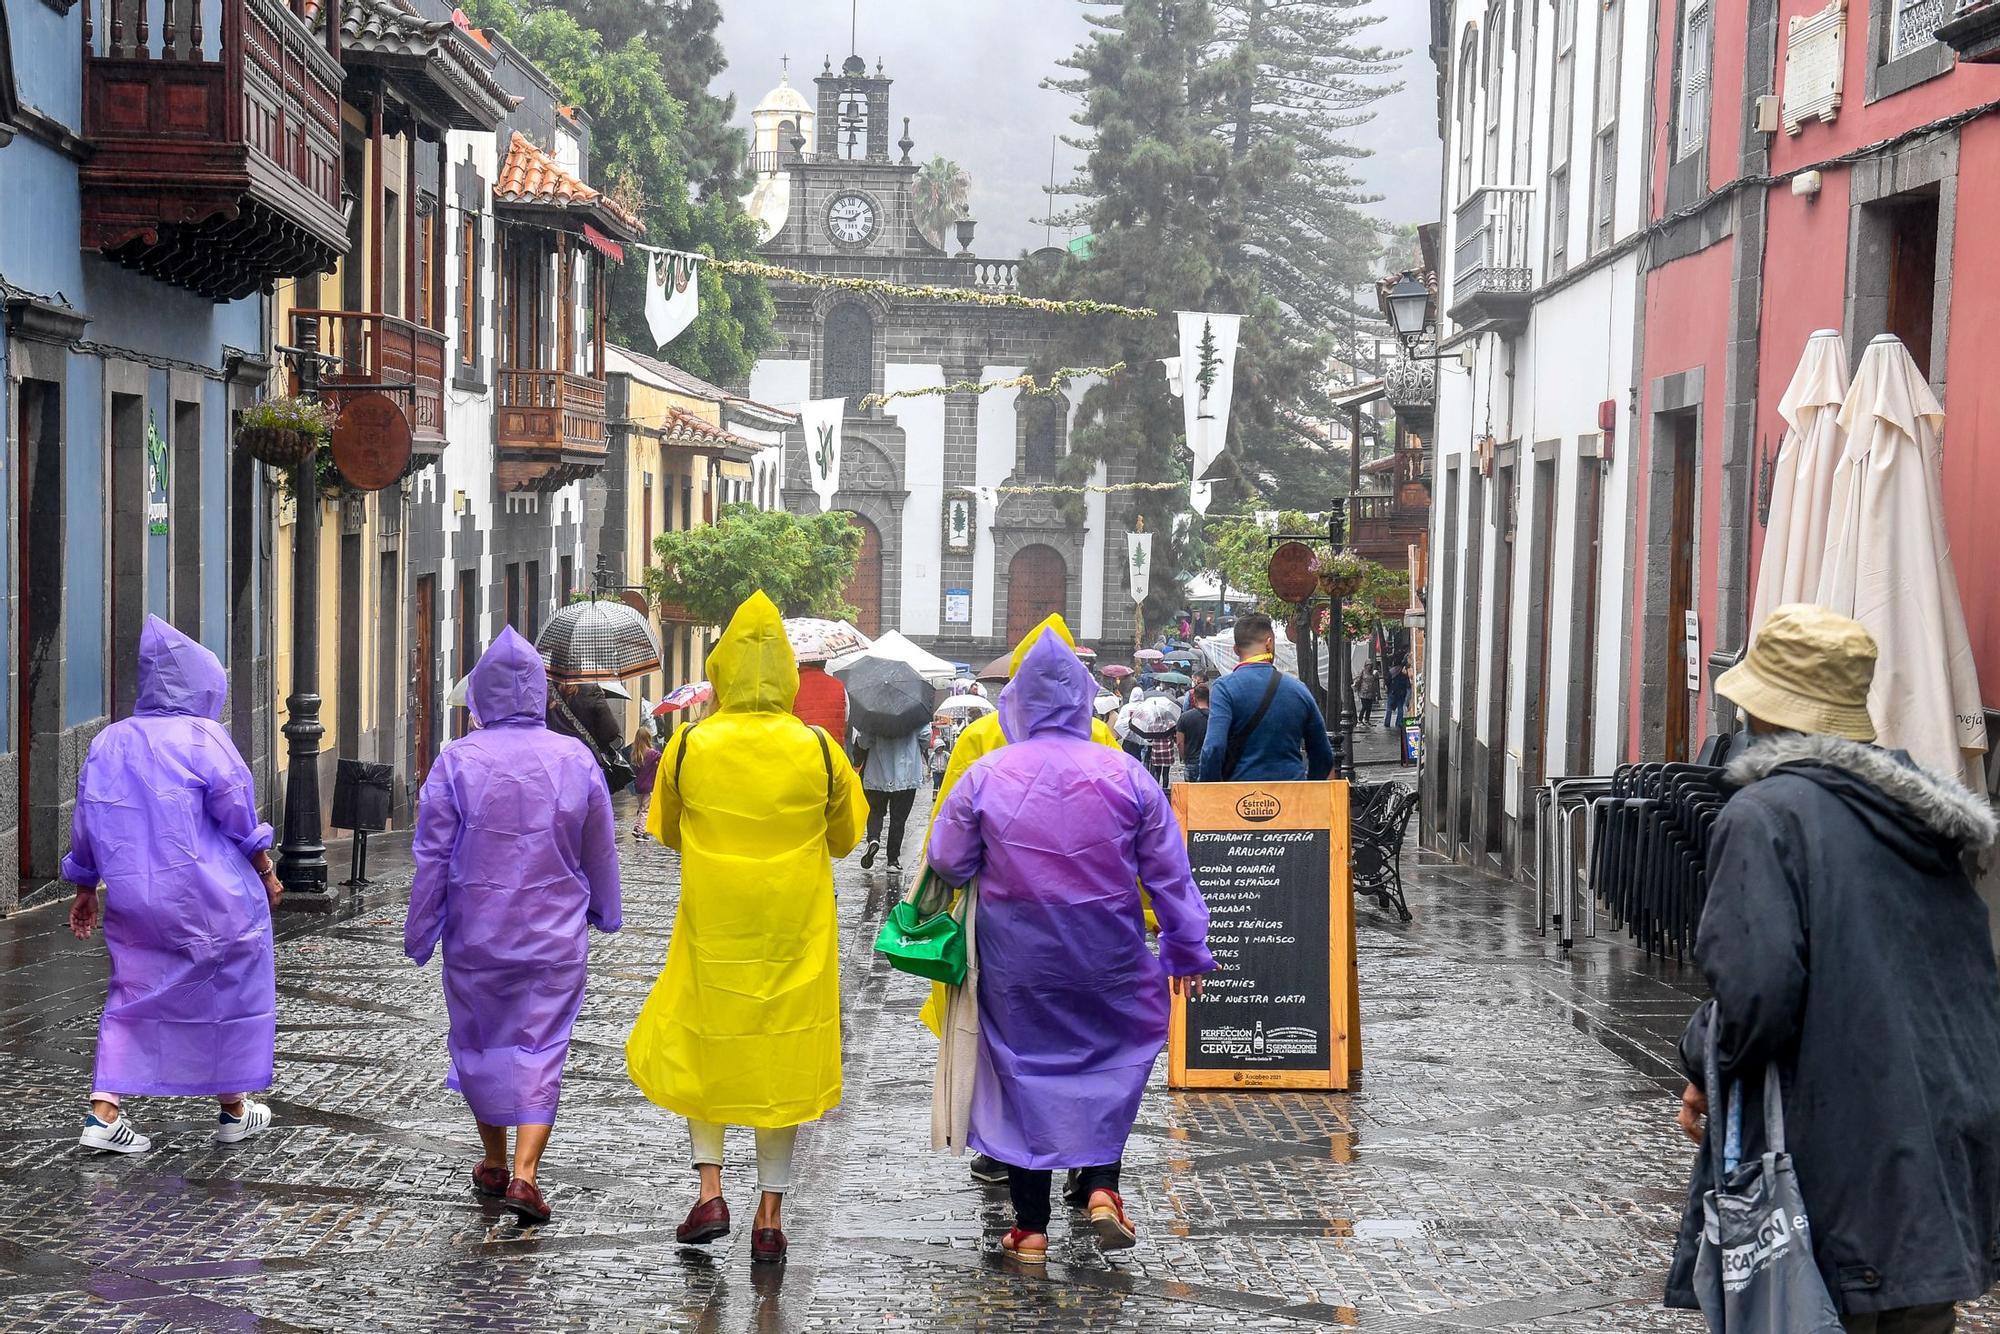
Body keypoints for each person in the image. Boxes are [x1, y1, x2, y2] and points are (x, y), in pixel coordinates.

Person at [1664, 605, 2000, 1333]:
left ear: (1756, 705)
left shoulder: (1766, 816)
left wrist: (1700, 1055)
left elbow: (1756, 996)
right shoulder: (1920, 818)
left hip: (1836, 1161)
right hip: (1937, 1161)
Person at [928, 631, 1215, 1262]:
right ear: (1086, 702)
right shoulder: (1128, 774)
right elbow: (1169, 873)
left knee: (1023, 1074)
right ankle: (1103, 1188)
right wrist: (1187, 950)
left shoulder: (985, 774)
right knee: (1107, 1063)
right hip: (1107, 951)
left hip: (1016, 957)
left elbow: (948, 861)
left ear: (1018, 703)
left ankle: (1029, 1227)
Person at [627, 592, 867, 1266]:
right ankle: (770, 1214)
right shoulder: (819, 750)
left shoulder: (690, 745)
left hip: (715, 929)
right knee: (779, 1059)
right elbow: (848, 838)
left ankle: (709, 1190)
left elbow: (667, 829)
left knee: (709, 1047)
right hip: (797, 933)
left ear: (724, 669)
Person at [406, 627, 622, 1225]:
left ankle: (495, 1160)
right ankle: (526, 1174)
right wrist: (606, 910)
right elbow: (599, 849)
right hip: (554, 936)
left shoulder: (457, 761)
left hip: (477, 934)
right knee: (542, 1047)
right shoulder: (575, 759)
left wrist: (422, 929)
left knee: (482, 1041)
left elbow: (431, 856)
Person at [928, 612, 1132, 1186]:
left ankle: (1006, 1152)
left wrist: (942, 905)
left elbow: (946, 840)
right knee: (1089, 1042)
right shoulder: (1103, 739)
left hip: (1008, 925)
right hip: (1097, 923)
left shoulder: (980, 738)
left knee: (1011, 1043)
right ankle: (1092, 1175)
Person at [65, 616, 282, 1155]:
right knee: (226, 989)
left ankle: (104, 1112)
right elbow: (237, 815)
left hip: (137, 898)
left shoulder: (108, 743)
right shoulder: (204, 737)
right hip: (213, 899)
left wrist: (85, 888)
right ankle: (233, 1107)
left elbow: (88, 819)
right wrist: (268, 871)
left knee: (131, 993)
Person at [1198, 613, 1335, 783]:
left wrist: (1209, 789)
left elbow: (1213, 748)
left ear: (1235, 649)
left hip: (1239, 799)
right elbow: (1323, 754)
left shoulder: (1224, 689)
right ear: (1269, 643)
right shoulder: (1299, 689)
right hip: (1291, 797)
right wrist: (1310, 788)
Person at [853, 718, 925, 874]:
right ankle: (892, 860)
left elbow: (863, 742)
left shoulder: (875, 714)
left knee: (875, 811)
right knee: (898, 819)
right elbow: (925, 736)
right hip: (906, 775)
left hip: (877, 773)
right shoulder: (914, 713)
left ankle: (873, 838)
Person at [630, 726, 661, 838]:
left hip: (638, 786)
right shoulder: (652, 753)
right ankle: (640, 830)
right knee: (646, 809)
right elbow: (662, 758)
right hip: (648, 786)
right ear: (648, 738)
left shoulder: (636, 753)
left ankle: (640, 826)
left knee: (641, 807)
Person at [1177, 684, 1211, 768]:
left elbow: (1179, 742)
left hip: (1191, 762)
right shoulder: (1216, 717)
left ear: (1194, 698)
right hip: (1210, 762)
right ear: (1209, 699)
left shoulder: (1184, 717)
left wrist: (1185, 759)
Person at [1382, 660, 1412, 734]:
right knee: (1400, 707)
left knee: (1389, 707)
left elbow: (1387, 680)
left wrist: (1389, 688)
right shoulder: (1404, 673)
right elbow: (1407, 683)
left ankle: (1387, 722)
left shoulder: (1392, 671)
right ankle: (1399, 723)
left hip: (1392, 692)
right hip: (1401, 692)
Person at [1354, 660, 1381, 727]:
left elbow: (1374, 682)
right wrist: (1356, 686)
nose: (1369, 667)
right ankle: (1360, 720)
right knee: (1364, 706)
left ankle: (1367, 719)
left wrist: (1376, 692)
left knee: (1369, 707)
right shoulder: (1362, 672)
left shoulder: (1372, 673)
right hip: (1363, 692)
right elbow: (1358, 680)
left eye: (1370, 665)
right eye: (1368, 665)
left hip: (1370, 692)